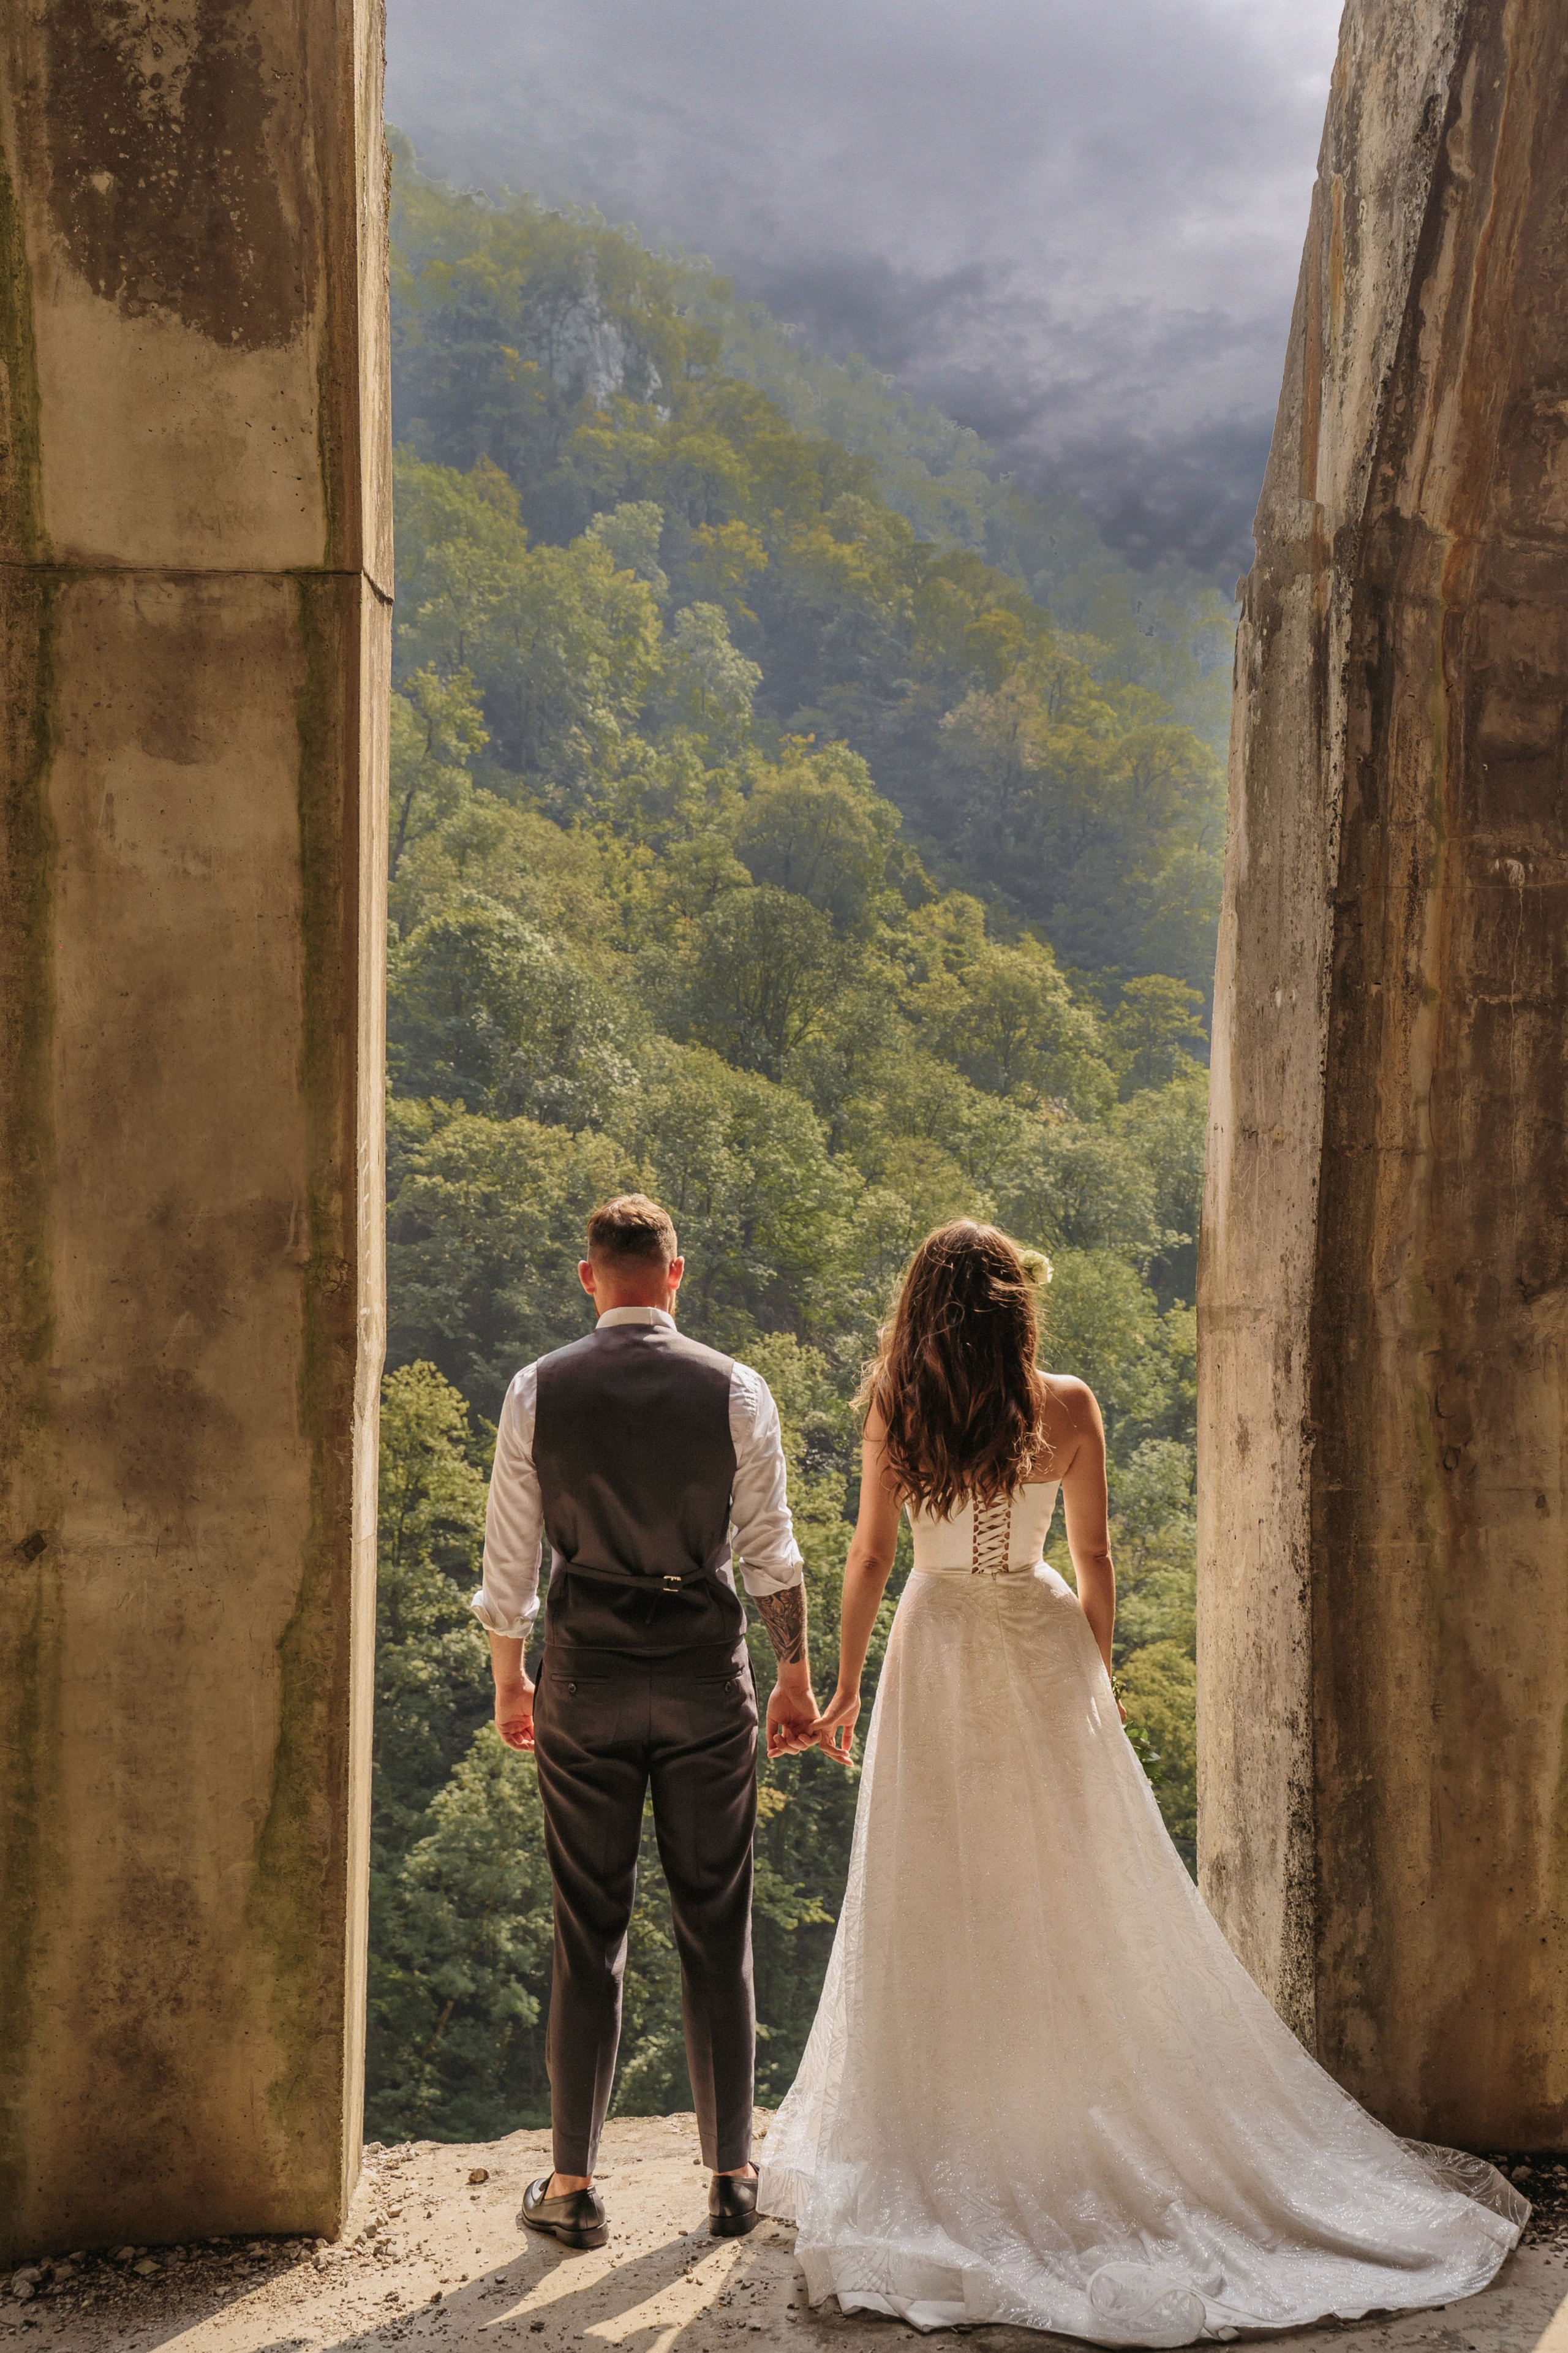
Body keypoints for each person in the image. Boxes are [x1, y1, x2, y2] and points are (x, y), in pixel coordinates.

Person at [758, 1220, 1526, 2345]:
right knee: (1066, 1891)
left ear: (922, 1307)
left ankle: (959, 2126)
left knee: (936, 1887)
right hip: (1036, 1632)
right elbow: (1098, 1553)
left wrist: (845, 1687)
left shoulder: (895, 1399)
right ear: (1016, 1303)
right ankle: (1050, 2113)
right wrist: (1096, 1676)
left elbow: (872, 1554)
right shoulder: (1065, 1403)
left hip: (934, 1649)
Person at [473, 1193, 821, 2253]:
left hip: (584, 1677)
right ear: (677, 1275)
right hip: (707, 1678)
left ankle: (573, 2184)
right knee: (717, 1922)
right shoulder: (737, 1388)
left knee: (590, 1928)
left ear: (590, 1277)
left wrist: (511, 1679)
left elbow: (511, 1561)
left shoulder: (540, 1389)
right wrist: (796, 1674)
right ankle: (729, 2178)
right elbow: (770, 1551)